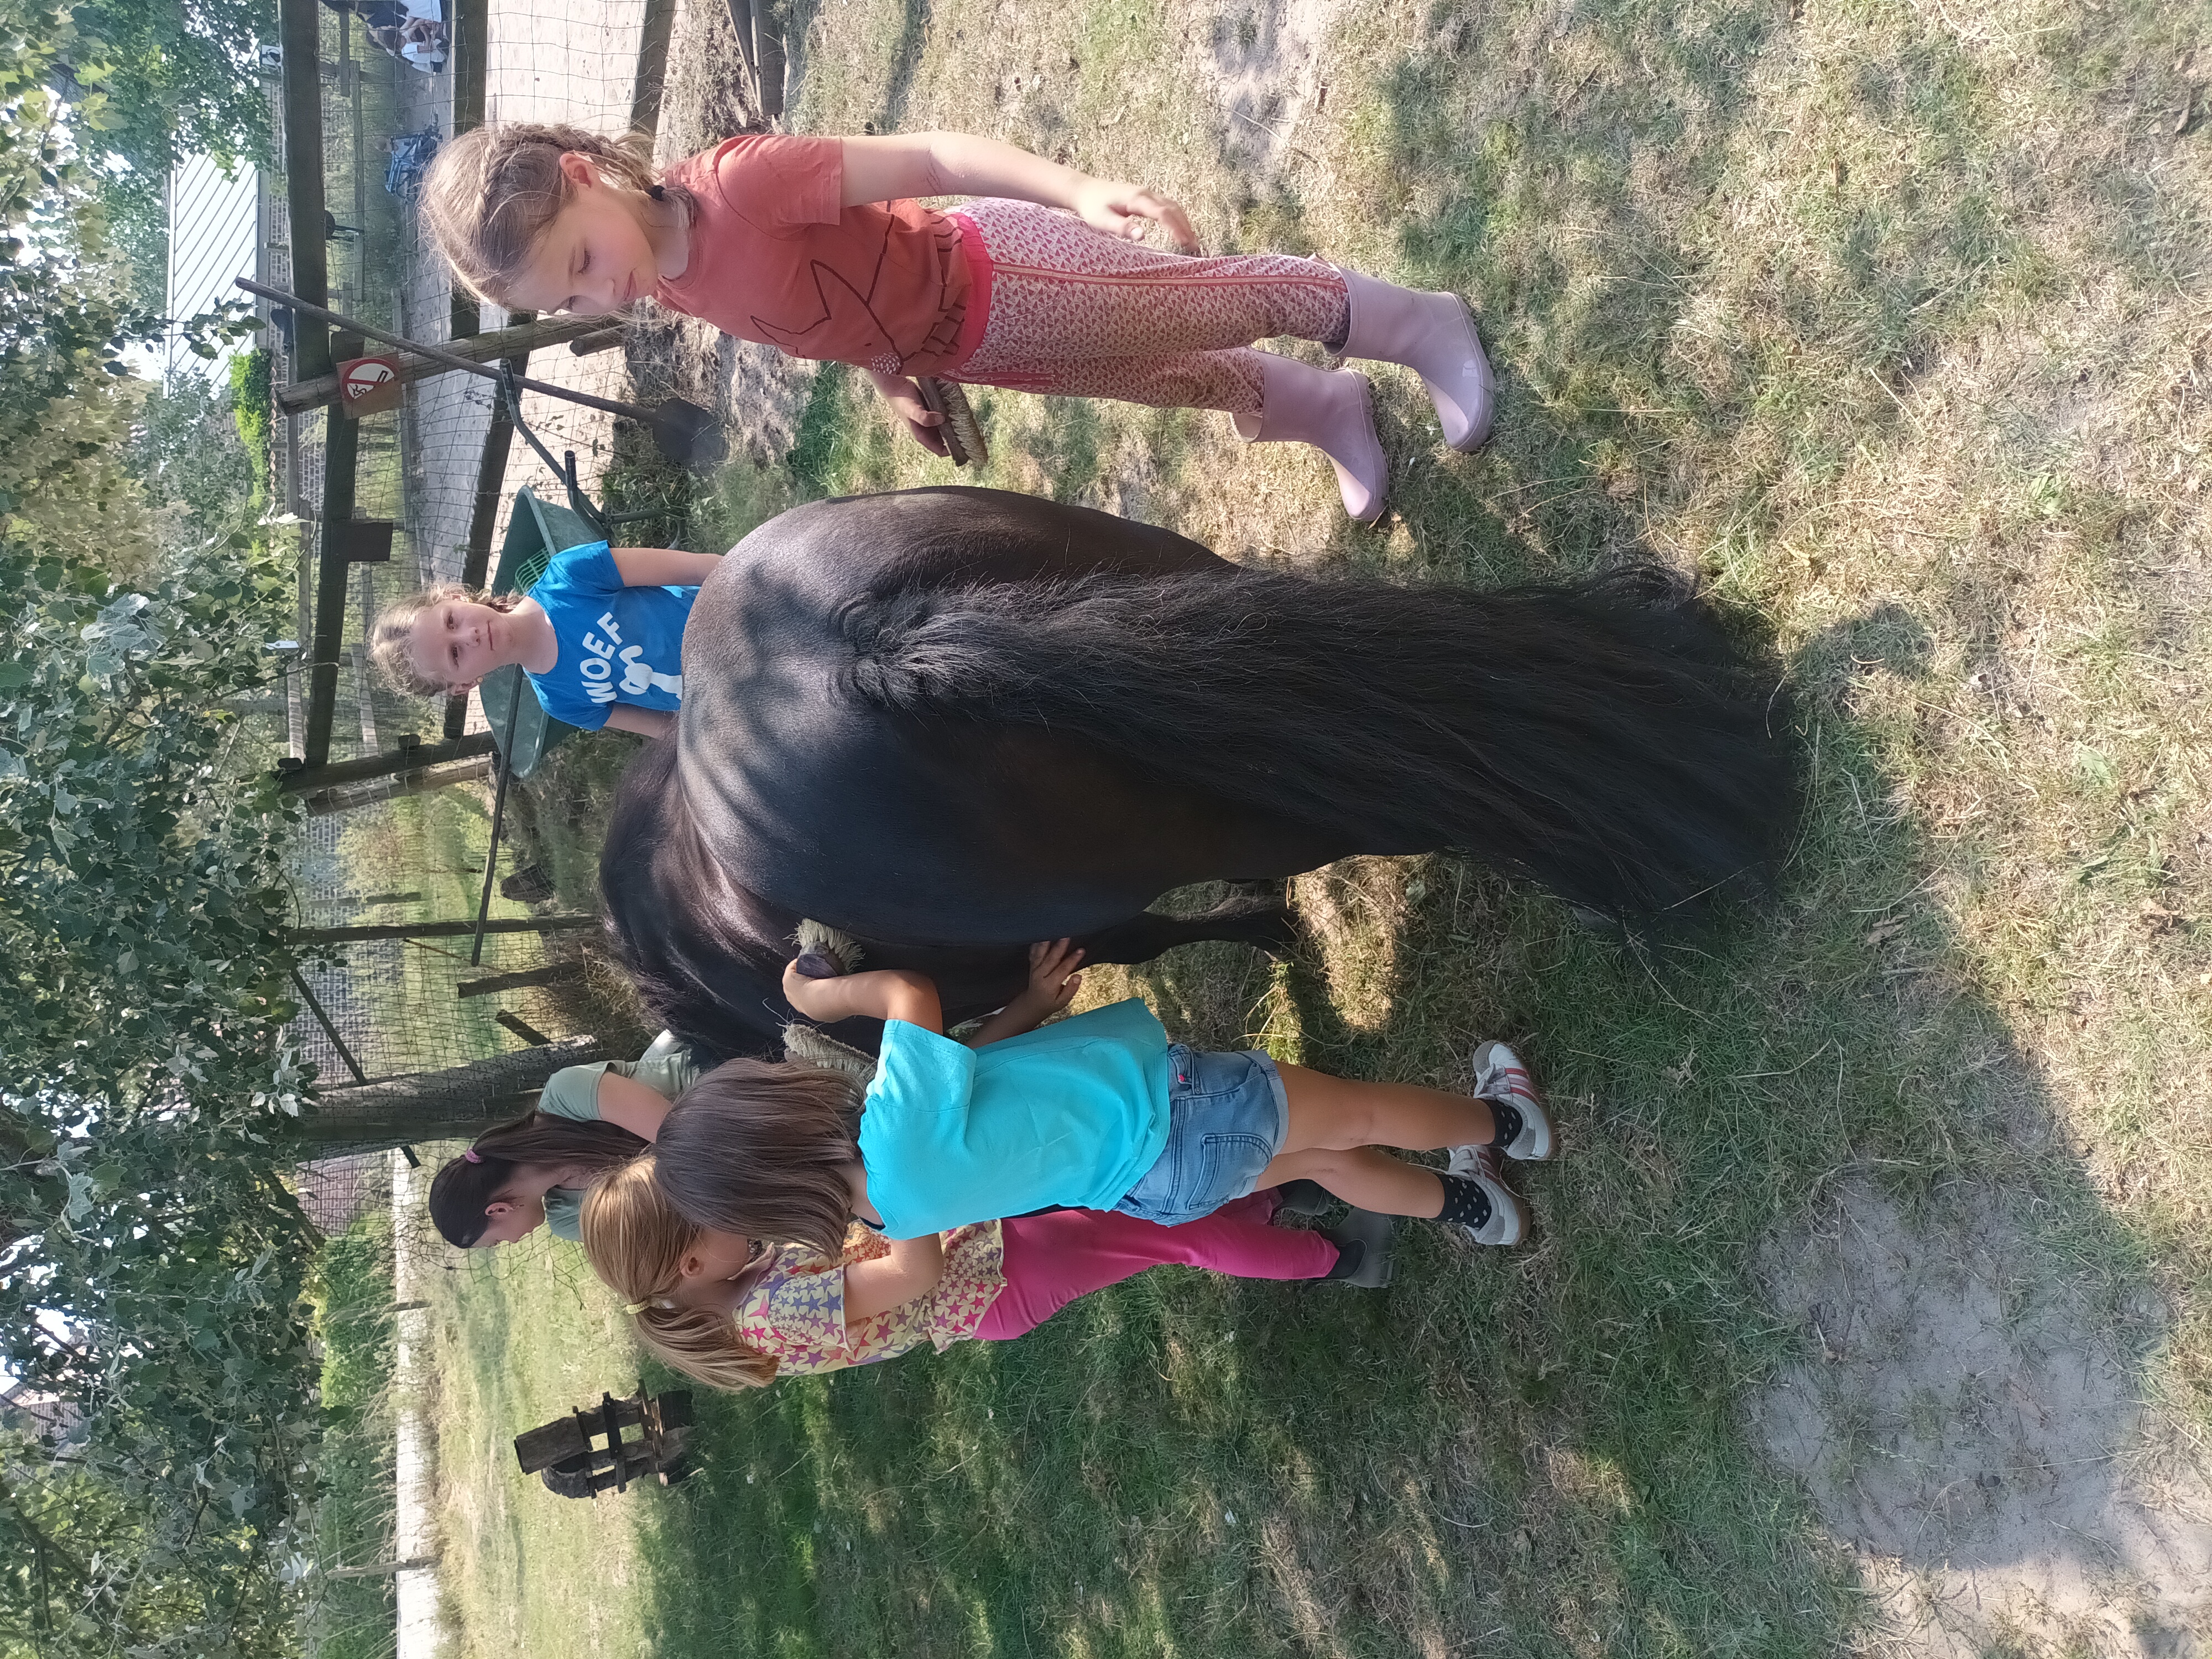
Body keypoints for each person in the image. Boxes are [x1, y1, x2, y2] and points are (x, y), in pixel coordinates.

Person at [418, 124, 1498, 524]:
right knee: (1169, 374)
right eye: (569, 302)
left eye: (581, 262)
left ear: (583, 176)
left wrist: (1076, 190)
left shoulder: (742, 186)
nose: (597, 296)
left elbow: (932, 158)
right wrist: (889, 371)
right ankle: (1325, 409)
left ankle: (1419, 327)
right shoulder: (666, 281)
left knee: (1217, 298)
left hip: (1002, 271)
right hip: (972, 346)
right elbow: (822, 307)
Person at [650, 940, 1553, 1259]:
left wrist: (1030, 1009)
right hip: (1184, 1111)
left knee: (1329, 1159)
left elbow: (959, 1081)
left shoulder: (888, 1212)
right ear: (775, 1116)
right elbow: (910, 997)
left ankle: (1476, 1208)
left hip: (1163, 1186)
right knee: (1357, 1114)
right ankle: (1507, 1123)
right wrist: (819, 997)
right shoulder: (889, 1126)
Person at [582, 1154, 1392, 1390]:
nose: (734, 1202)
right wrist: (890, 1194)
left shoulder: (750, 1276)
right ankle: (1340, 1257)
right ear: (692, 1260)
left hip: (991, 1253)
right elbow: (911, 1276)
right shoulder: (766, 1316)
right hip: (997, 1278)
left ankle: (1274, 1197)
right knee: (1164, 1239)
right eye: (715, 1206)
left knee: (1139, 1213)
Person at [367, 538, 719, 739]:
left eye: (451, 621)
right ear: (463, 686)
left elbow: (704, 568)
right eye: (455, 654)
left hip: (738, 621)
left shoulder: (570, 576)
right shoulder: (561, 702)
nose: (469, 635)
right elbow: (674, 733)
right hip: (727, 705)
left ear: (456, 597)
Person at [426, 1037, 696, 1247]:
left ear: (497, 1210)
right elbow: (672, 1230)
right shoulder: (569, 1220)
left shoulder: (565, 1095)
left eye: (496, 1242)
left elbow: (689, 1140)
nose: (513, 1242)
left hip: (713, 1091)